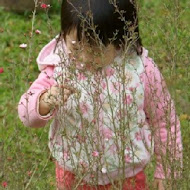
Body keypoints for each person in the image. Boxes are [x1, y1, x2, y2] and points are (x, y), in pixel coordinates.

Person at [18, 0, 183, 189]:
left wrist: (167, 170)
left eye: (97, 50)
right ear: (63, 34)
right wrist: (44, 101)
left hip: (127, 176)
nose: (85, 58)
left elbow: (164, 121)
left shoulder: (141, 71)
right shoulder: (58, 69)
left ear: (121, 40)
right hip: (74, 176)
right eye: (76, 47)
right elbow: (26, 115)